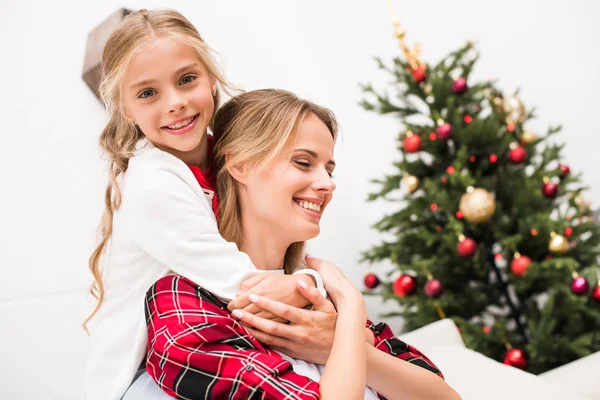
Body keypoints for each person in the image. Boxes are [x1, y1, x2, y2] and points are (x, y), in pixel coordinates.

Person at [136, 89, 461, 399]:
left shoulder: (319, 291)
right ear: (240, 165)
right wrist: (350, 306)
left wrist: (338, 340)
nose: (327, 184)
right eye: (304, 163)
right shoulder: (182, 303)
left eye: (329, 169)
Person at [83, 10, 325, 400]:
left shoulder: (230, 156)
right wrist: (312, 284)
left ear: (210, 77)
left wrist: (303, 280)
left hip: (215, 343)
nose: (175, 103)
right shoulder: (153, 183)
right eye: (148, 93)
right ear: (126, 109)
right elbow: (244, 287)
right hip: (150, 371)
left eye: (186, 79)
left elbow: (270, 257)